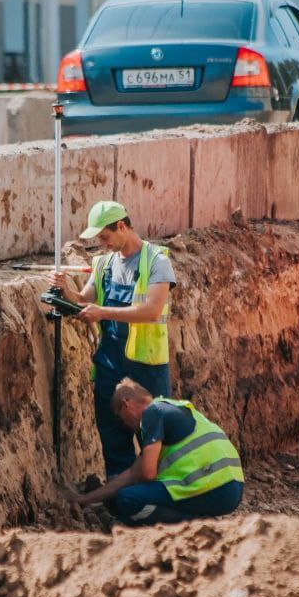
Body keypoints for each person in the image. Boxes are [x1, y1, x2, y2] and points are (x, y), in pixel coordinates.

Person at [51, 201, 174, 478]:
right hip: (110, 361)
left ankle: (159, 501)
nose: (103, 245)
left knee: (154, 435)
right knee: (111, 430)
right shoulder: (103, 263)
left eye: (105, 237)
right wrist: (66, 290)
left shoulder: (157, 261)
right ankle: (123, 503)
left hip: (147, 365)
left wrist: (102, 312)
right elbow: (85, 300)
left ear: (121, 226)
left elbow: (152, 310)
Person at [68, 379, 244, 525]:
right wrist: (85, 499)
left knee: (127, 500)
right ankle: (199, 520)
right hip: (232, 487)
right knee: (130, 493)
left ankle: (193, 525)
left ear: (126, 404)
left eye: (121, 418)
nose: (125, 426)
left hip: (215, 488)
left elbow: (147, 473)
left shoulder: (153, 413)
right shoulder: (173, 407)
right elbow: (132, 474)